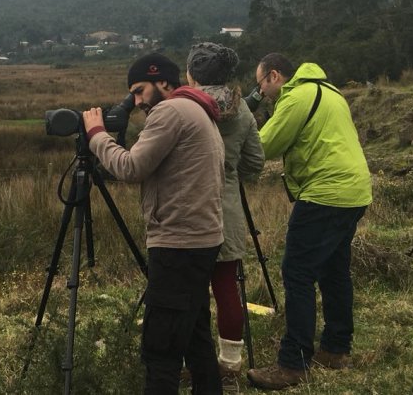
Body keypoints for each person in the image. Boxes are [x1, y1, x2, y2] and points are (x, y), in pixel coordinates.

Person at [83, 52, 226, 395]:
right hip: (201, 238)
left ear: (163, 81)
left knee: (160, 349)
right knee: (195, 337)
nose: (135, 101)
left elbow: (132, 168)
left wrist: (97, 135)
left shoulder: (170, 111)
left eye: (139, 90)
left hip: (178, 242)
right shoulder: (198, 109)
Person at [245, 53, 373, 391]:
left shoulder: (298, 97)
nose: (262, 93)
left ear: (274, 76)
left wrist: (235, 135)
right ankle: (335, 348)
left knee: (297, 272)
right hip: (355, 190)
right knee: (333, 271)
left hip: (325, 192)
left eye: (261, 85)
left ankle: (293, 364)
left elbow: (263, 146)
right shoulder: (330, 91)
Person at [186, 42, 265, 391]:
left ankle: (193, 362)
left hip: (187, 210)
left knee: (188, 291)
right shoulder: (243, 111)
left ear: (192, 73)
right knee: (226, 289)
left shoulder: (184, 106)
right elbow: (255, 164)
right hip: (226, 208)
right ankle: (230, 368)